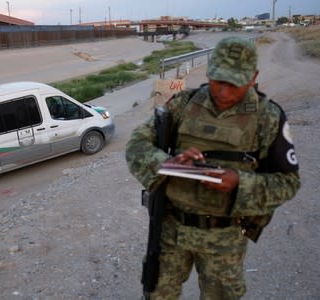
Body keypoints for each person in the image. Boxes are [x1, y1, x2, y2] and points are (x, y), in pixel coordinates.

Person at [125, 36, 301, 299]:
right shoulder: (183, 104)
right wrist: (165, 163)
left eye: (235, 84)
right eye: (219, 81)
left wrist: (238, 183)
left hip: (225, 240)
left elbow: (288, 183)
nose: (224, 93)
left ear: (253, 77)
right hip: (171, 232)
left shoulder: (268, 117)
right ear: (209, 71)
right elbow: (136, 145)